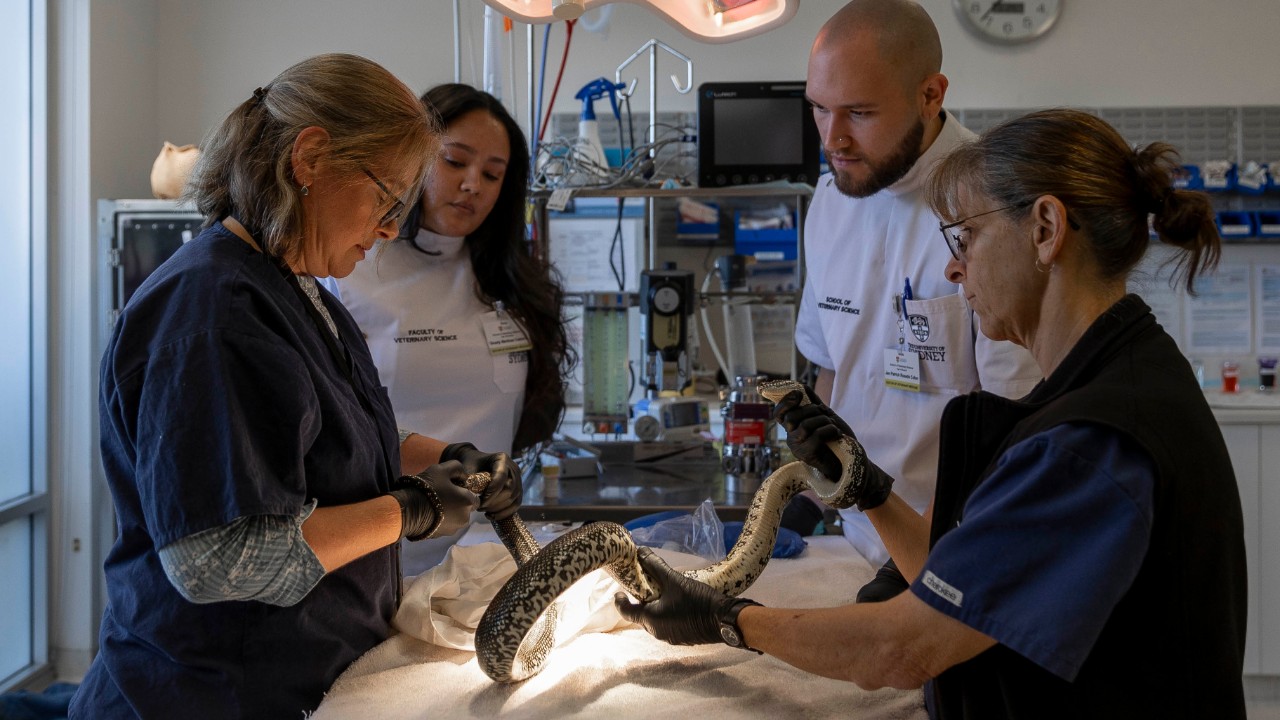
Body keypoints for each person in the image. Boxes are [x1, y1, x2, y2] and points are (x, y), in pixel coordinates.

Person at [616, 107, 1247, 718]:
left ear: (1046, 230)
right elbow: (970, 582)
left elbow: (903, 647)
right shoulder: (1109, 378)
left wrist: (726, 619)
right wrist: (867, 489)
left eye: (967, 236)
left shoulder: (1091, 443)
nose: (953, 264)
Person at [70, 54, 523, 719]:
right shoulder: (210, 310)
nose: (394, 227)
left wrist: (447, 458)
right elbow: (218, 560)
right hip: (207, 694)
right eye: (385, 197)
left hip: (301, 681)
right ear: (310, 159)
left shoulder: (294, 288)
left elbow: (329, 428)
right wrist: (411, 509)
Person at [790, 0, 1041, 574]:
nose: (834, 139)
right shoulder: (830, 204)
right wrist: (807, 498)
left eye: (859, 113)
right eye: (819, 110)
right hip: (850, 537)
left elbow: (1014, 420)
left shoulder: (994, 208)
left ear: (931, 95)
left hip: (957, 544)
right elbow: (834, 371)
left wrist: (929, 557)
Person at [329, 83, 573, 573]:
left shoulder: (508, 280)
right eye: (455, 162)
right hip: (380, 546)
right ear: (411, 159)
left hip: (484, 548)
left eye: (492, 173)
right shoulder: (349, 270)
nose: (472, 185)